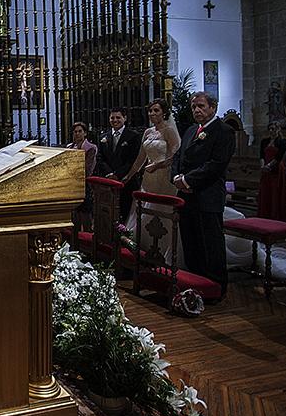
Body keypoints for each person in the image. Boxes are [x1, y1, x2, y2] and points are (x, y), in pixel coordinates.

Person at [171, 92, 235, 296]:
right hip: (186, 196)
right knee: (191, 240)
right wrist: (176, 177)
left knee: (210, 243)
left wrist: (188, 180)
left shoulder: (224, 131)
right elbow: (178, 157)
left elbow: (216, 165)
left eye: (201, 106)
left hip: (208, 195)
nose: (196, 110)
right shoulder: (190, 130)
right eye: (194, 107)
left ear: (213, 108)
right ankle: (195, 283)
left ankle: (215, 287)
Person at [122, 99, 181, 252]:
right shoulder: (148, 132)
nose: (152, 113)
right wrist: (128, 176)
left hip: (164, 175)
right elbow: (140, 158)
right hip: (149, 177)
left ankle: (163, 249)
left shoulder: (169, 130)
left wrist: (157, 165)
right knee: (144, 210)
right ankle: (145, 246)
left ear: (164, 112)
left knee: (162, 210)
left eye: (156, 110)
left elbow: (175, 156)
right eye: (150, 111)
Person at [96, 107, 142, 220]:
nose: (115, 120)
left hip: (126, 181)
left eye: (118, 117)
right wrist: (109, 173)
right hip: (108, 181)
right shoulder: (103, 137)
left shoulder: (133, 136)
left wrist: (117, 174)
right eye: (112, 118)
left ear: (124, 118)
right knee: (108, 212)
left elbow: (133, 159)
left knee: (126, 211)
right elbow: (100, 158)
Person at [257, 121, 286, 222]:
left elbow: (279, 157)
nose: (271, 131)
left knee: (275, 191)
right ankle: (265, 214)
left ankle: (275, 214)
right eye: (270, 129)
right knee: (266, 190)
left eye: (274, 129)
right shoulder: (264, 141)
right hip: (266, 169)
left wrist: (269, 166)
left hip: (276, 168)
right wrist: (263, 166)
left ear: (278, 129)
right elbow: (261, 155)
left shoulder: (282, 142)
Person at [67, 121, 97, 232]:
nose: (77, 134)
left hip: (84, 184)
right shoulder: (70, 147)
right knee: (75, 214)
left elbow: (88, 168)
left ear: (85, 133)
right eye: (75, 132)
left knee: (85, 214)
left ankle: (88, 239)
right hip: (71, 185)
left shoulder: (90, 148)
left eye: (80, 131)